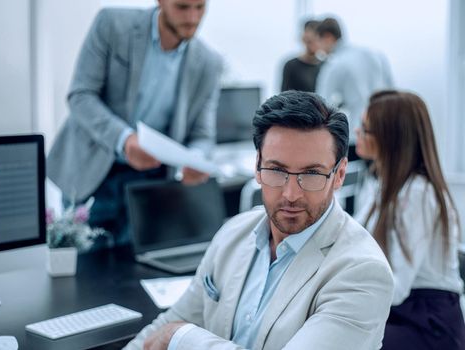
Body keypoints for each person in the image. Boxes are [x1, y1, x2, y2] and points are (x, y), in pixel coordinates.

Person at [123, 90, 394, 350]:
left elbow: (173, 333)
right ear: (257, 167)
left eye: (311, 173)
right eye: (276, 170)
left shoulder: (363, 272)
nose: (291, 194)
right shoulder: (234, 233)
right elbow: (173, 320)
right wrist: (172, 332)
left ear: (340, 174)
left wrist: (180, 338)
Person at [47, 0, 223, 246]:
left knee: (136, 273)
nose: (192, 18)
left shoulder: (209, 63)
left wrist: (194, 159)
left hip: (150, 185)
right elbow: (81, 95)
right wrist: (125, 140)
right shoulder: (112, 25)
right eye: (182, 7)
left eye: (200, 7)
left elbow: (202, 134)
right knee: (85, 271)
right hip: (94, 172)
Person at [354, 90, 465, 350]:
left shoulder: (417, 194)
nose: (357, 132)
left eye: (365, 128)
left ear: (389, 138)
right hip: (401, 311)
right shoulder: (381, 185)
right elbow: (352, 239)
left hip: (427, 323)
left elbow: (397, 285)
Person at [315, 17, 394, 162]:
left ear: (327, 37)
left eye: (318, 42)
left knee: (353, 180)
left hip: (358, 135)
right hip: (385, 129)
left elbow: (322, 104)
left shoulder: (335, 64)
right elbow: (392, 91)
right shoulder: (374, 54)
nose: (318, 49)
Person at [280, 19, 322, 92]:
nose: (313, 44)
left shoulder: (325, 66)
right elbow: (284, 97)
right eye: (309, 41)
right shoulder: (291, 66)